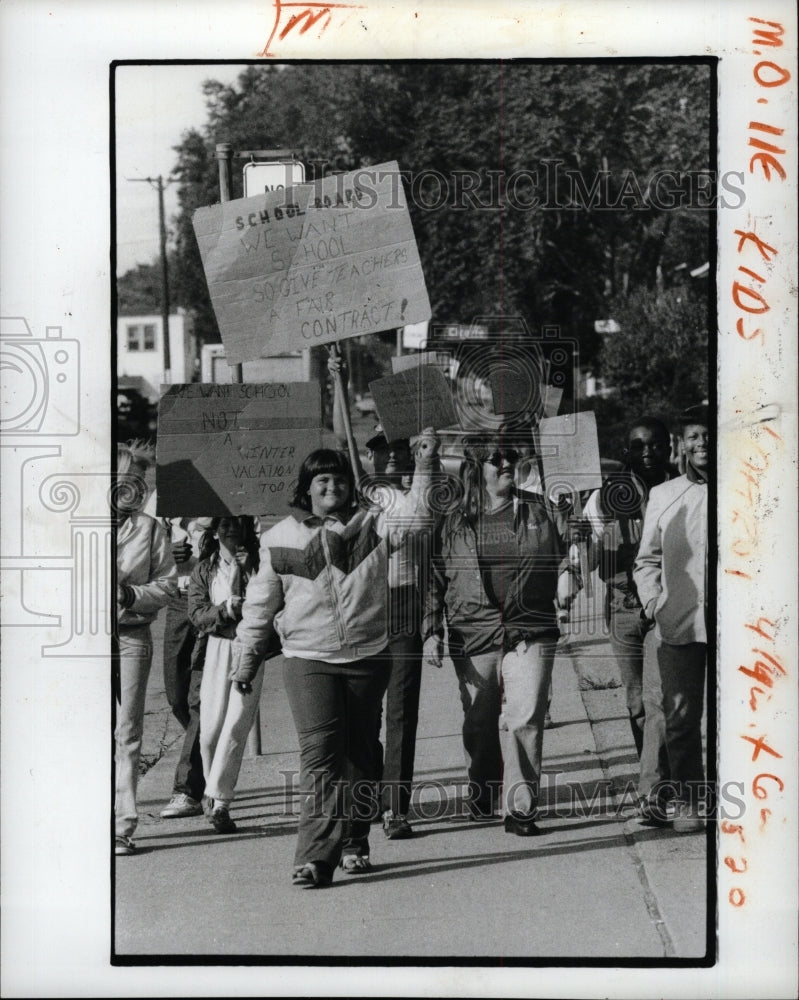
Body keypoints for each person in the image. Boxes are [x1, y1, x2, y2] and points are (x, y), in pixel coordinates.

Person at [231, 440, 437, 889]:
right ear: (306, 488)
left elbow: (419, 521)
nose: (332, 487)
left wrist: (424, 462)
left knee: (361, 753)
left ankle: (355, 841)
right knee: (320, 757)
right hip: (309, 659)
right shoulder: (279, 537)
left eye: (340, 479)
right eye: (322, 480)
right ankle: (315, 858)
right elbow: (259, 607)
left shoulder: (375, 524)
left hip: (368, 655)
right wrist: (245, 662)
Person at [422, 432, 579, 835]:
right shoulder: (453, 521)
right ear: (477, 469)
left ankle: (520, 808)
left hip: (531, 628)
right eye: (497, 459)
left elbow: (566, 555)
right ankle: (483, 786)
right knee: (480, 722)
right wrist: (431, 629)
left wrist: (571, 561)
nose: (507, 463)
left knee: (524, 716)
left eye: (510, 457)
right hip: (472, 631)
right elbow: (435, 579)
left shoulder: (540, 510)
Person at [582, 417, 675, 823]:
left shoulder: (682, 490)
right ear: (628, 452)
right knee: (638, 702)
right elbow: (589, 558)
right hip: (622, 604)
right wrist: (582, 529)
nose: (648, 452)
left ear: (669, 447)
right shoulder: (607, 496)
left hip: (665, 606)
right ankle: (653, 777)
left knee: (657, 702)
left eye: (655, 445)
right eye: (639, 446)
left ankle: (652, 792)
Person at [633, 404, 709, 833]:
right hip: (677, 625)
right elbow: (646, 561)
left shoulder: (748, 486)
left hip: (736, 631)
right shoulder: (665, 496)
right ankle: (689, 803)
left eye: (708, 434)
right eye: (695, 436)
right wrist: (652, 603)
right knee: (680, 721)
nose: (702, 443)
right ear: (683, 444)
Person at [365, 423, 438, 840]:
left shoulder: (416, 493)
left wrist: (426, 460)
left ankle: (395, 807)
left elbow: (421, 520)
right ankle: (371, 789)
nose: (390, 454)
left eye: (397, 447)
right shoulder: (355, 496)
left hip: (403, 604)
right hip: (362, 611)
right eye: (380, 448)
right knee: (363, 713)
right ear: (369, 454)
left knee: (400, 710)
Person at [114, 441, 178, 856]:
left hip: (131, 636)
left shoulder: (151, 529)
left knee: (128, 733)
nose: (129, 490)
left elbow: (168, 585)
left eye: (137, 482)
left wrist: (130, 594)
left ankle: (122, 824)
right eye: (121, 482)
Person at [188, 515, 263, 834]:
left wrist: (251, 574)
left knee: (235, 725)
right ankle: (210, 788)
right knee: (210, 731)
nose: (230, 528)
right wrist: (225, 610)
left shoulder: (260, 563)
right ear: (215, 530)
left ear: (246, 528)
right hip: (216, 649)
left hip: (249, 648)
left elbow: (271, 604)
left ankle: (221, 803)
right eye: (223, 524)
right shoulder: (205, 569)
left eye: (236, 523)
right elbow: (196, 614)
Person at [158, 516, 213, 819]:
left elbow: (249, 542)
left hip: (211, 597)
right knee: (177, 697)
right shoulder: (167, 493)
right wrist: (168, 554)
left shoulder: (230, 488)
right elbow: (149, 550)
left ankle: (187, 789)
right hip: (178, 600)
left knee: (199, 699)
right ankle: (208, 750)